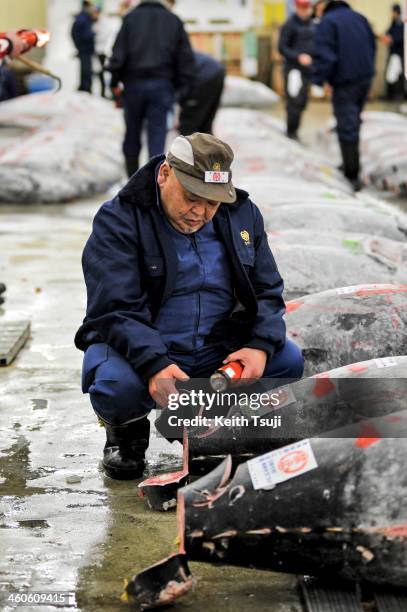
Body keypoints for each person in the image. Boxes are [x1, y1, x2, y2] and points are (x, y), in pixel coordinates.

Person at [75, 133, 305, 480]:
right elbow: (115, 307)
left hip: (216, 348)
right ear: (164, 174)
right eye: (191, 198)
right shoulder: (119, 219)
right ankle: (127, 436)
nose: (200, 212)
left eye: (212, 203)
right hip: (145, 348)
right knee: (116, 385)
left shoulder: (243, 215)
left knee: (286, 360)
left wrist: (258, 346)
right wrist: (154, 364)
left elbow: (267, 290)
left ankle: (211, 429)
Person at [108, 0, 195, 178]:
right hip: (162, 86)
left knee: (131, 136)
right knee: (157, 138)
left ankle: (132, 182)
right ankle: (152, 184)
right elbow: (185, 59)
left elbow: (118, 55)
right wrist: (181, 90)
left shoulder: (130, 19)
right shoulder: (173, 20)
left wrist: (114, 82)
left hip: (133, 86)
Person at [313, 1, 376, 191]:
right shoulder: (359, 17)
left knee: (346, 125)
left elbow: (326, 56)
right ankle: (350, 164)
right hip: (364, 78)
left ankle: (352, 174)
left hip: (345, 80)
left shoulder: (328, 22)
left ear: (323, 7)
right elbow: (373, 46)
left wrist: (319, 80)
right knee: (354, 121)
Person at [278, 0, 315, 140]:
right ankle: (291, 131)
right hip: (294, 69)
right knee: (294, 101)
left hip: (308, 70)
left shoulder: (313, 24)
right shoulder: (289, 25)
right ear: (296, 7)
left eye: (306, 8)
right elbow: (282, 48)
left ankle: (295, 129)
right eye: (302, 8)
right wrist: (298, 56)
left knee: (303, 100)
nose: (304, 11)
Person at [179, 51, 226, 136]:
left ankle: (188, 146)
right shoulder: (182, 54)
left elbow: (182, 88)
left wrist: (184, 101)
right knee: (205, 124)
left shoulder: (171, 61)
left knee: (188, 123)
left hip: (204, 75)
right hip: (217, 71)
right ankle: (208, 146)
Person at [71, 0, 96, 93]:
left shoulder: (81, 18)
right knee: (86, 69)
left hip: (83, 48)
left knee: (84, 68)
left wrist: (78, 46)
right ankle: (86, 88)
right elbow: (86, 34)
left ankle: (84, 86)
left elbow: (73, 33)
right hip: (85, 48)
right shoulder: (84, 19)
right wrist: (93, 34)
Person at [381, 4, 405, 100]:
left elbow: (400, 38)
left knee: (396, 75)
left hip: (398, 53)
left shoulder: (400, 24)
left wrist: (391, 39)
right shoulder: (393, 23)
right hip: (393, 53)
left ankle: (397, 95)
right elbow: (387, 33)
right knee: (391, 74)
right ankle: (391, 95)